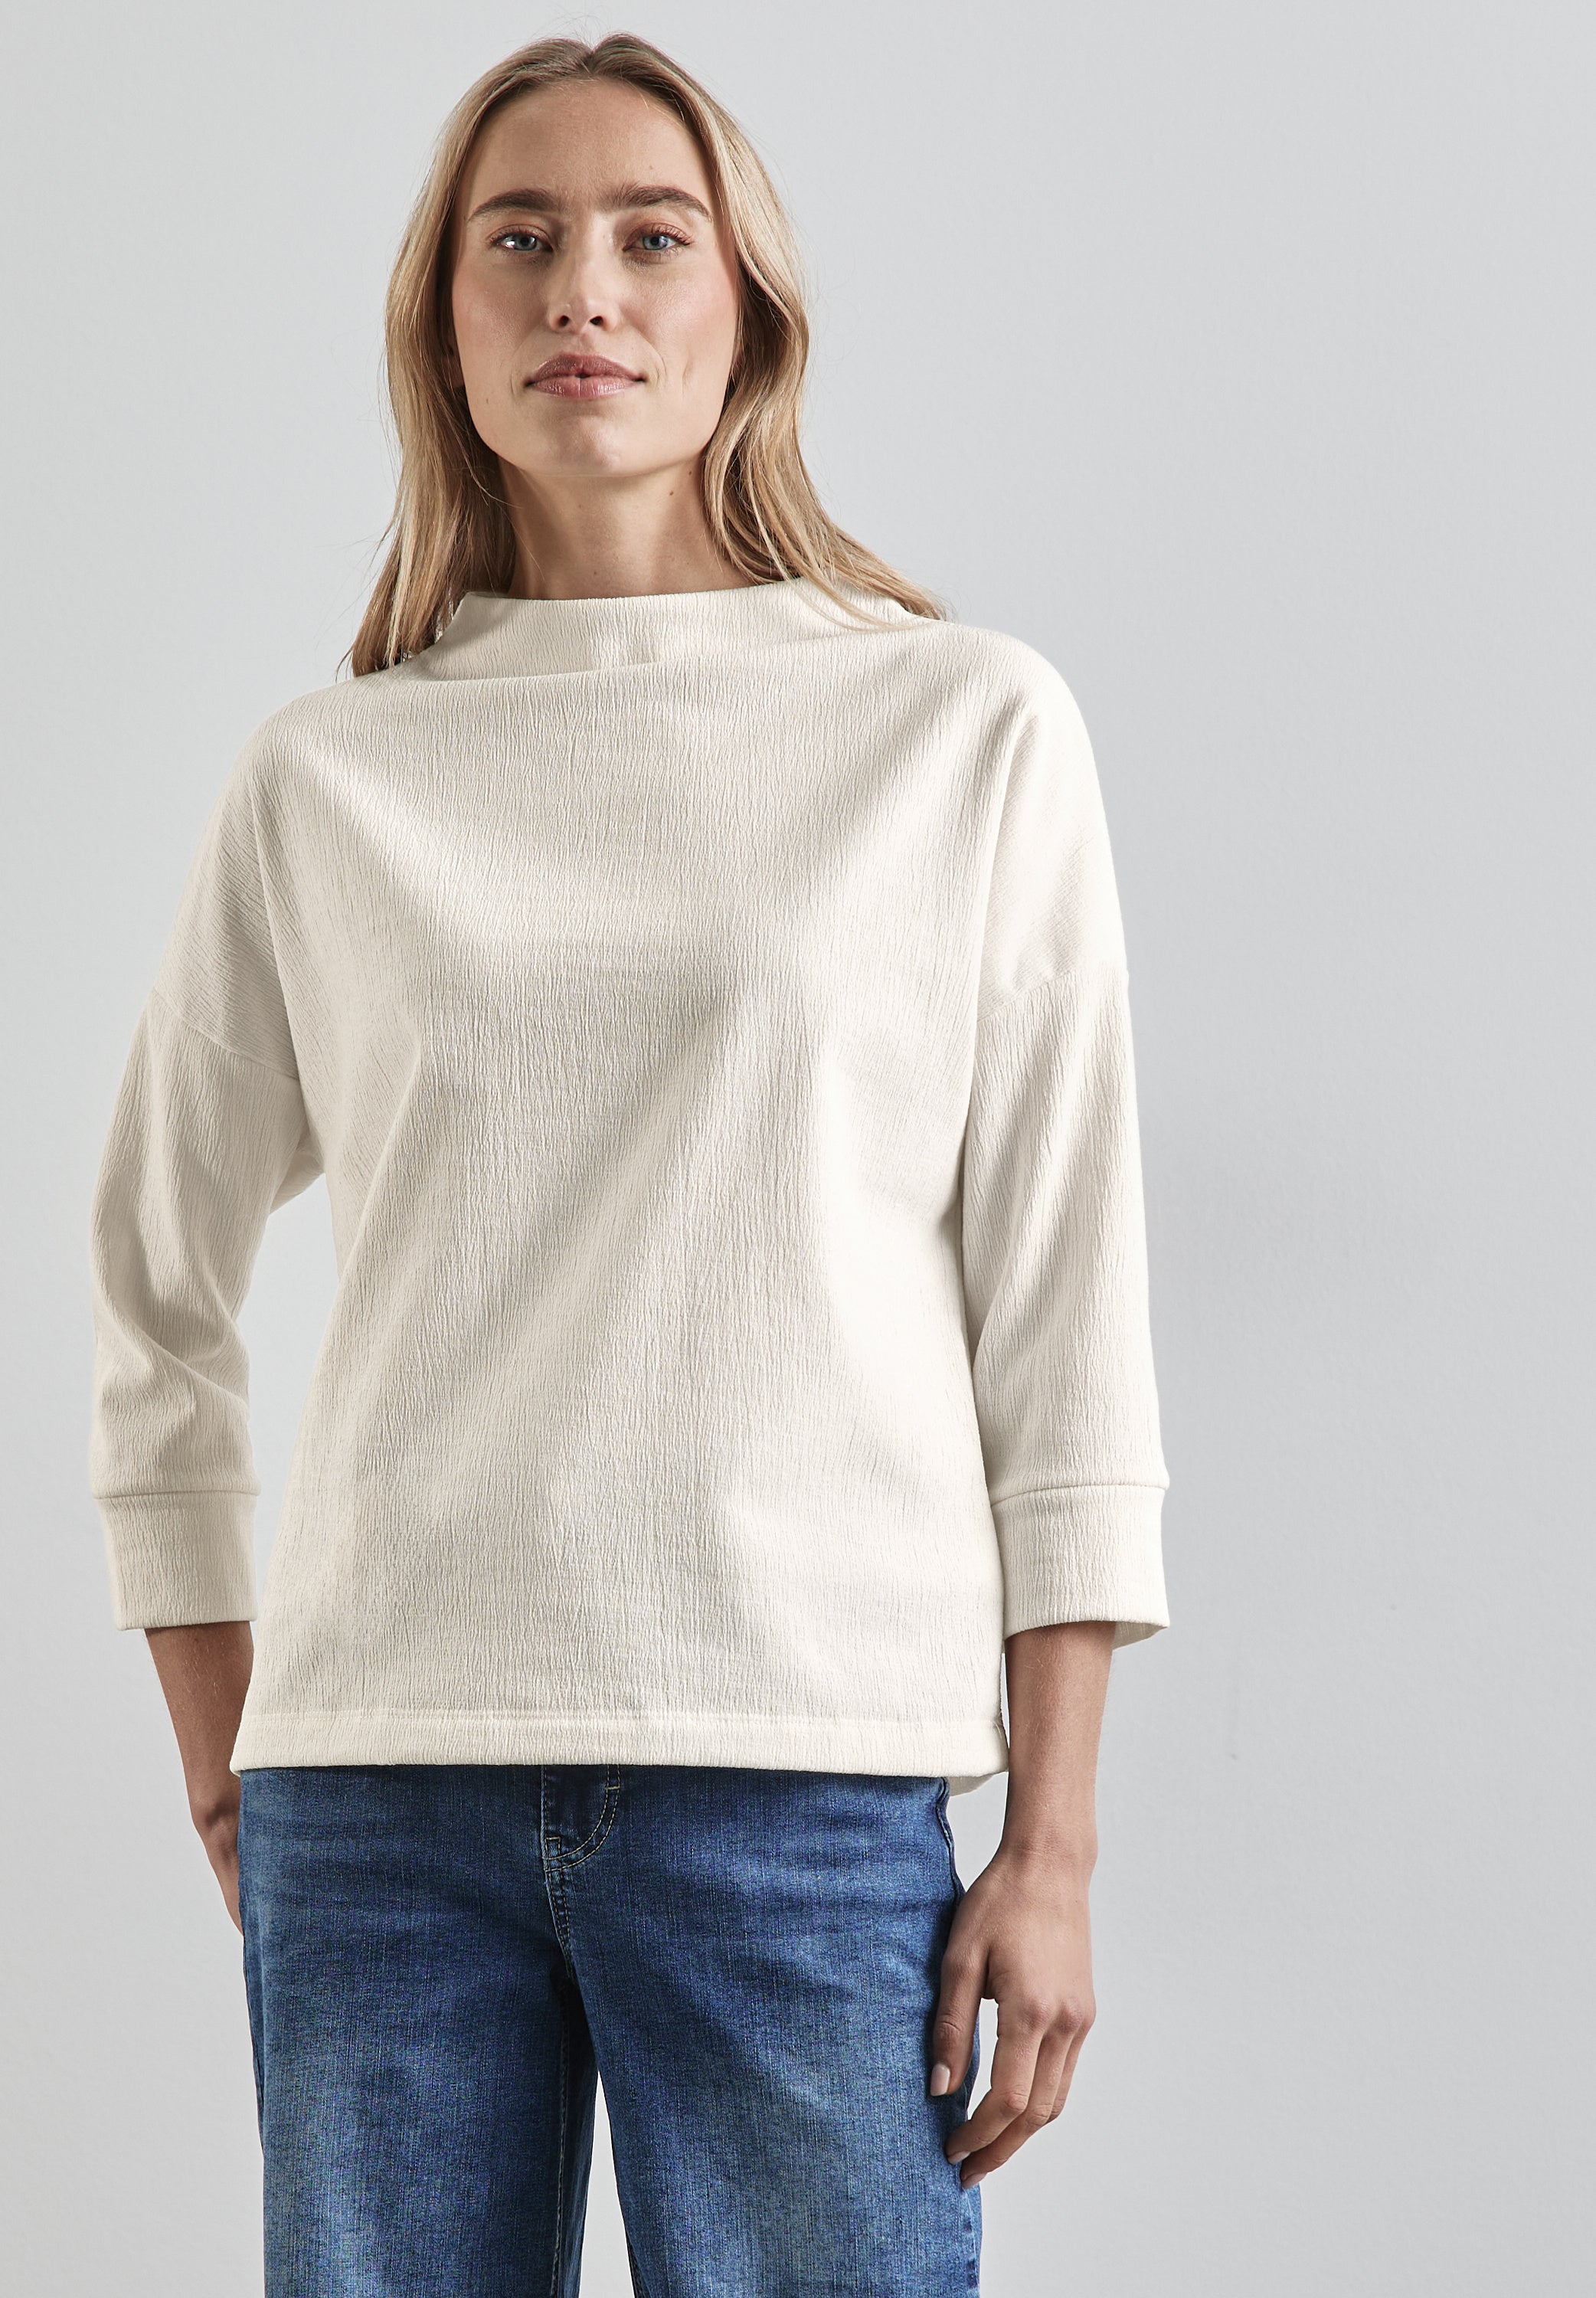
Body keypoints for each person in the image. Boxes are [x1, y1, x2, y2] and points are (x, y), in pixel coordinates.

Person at [86, 31, 1171, 2298]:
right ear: (446, 322)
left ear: (746, 312)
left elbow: (1061, 1303)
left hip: (798, 1781)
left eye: (649, 235)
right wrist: (228, 1758)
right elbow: (149, 1294)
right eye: (521, 237)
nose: (583, 285)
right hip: (380, 1802)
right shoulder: (324, 780)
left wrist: (1054, 1840)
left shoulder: (957, 727)